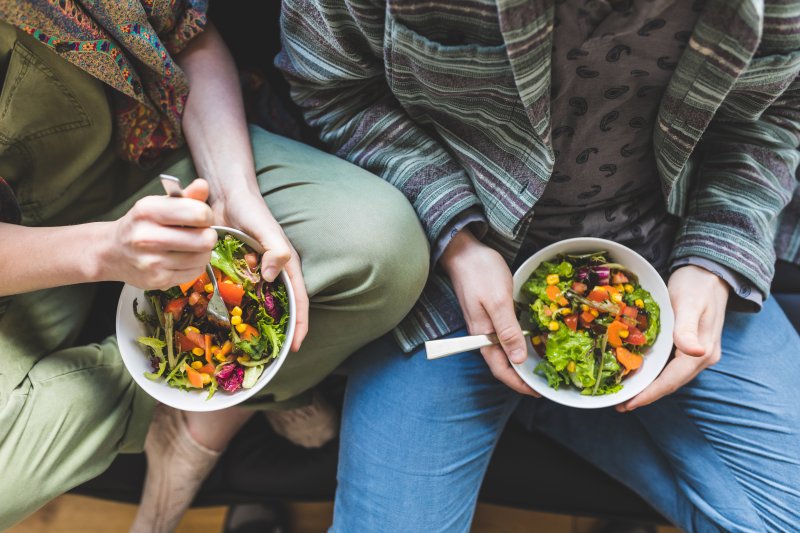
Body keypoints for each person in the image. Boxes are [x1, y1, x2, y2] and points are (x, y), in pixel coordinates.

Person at [277, 0, 800, 531]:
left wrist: (715, 258)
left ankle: (549, 405)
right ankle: (556, 403)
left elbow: (779, 112)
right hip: (445, 269)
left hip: (668, 249)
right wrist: (458, 242)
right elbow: (333, 87)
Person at [0, 2, 428, 531]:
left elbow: (187, 37)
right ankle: (192, 409)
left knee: (382, 247)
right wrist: (102, 252)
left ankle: (194, 422)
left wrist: (232, 191)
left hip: (143, 155)